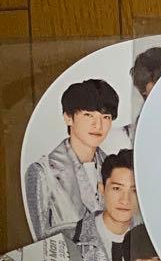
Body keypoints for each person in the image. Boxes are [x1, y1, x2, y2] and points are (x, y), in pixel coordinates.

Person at [25, 77, 120, 238]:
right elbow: (38, 240)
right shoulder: (42, 172)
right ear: (68, 117)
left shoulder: (116, 169)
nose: (98, 125)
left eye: (106, 117)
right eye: (88, 115)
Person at [64, 147, 135, 261]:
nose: (125, 200)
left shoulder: (154, 244)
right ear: (101, 189)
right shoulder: (69, 239)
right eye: (117, 188)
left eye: (134, 191)